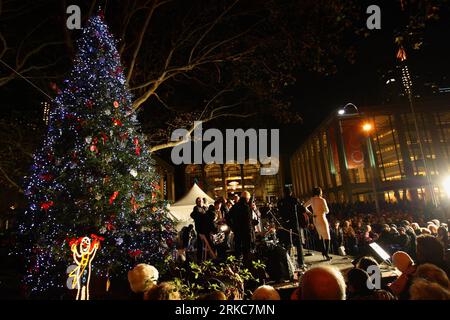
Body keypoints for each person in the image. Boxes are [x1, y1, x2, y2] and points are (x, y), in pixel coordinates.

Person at [277, 186, 308, 267]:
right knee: (298, 243)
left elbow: (279, 212)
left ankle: (287, 262)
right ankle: (301, 262)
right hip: (295, 223)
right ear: (291, 192)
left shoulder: (281, 201)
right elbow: (302, 210)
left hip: (286, 224)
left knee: (286, 243)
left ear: (284, 193)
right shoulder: (295, 200)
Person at [228, 191, 257, 266]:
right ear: (247, 198)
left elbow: (227, 217)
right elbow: (248, 222)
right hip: (246, 233)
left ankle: (237, 266)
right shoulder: (246, 207)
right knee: (246, 253)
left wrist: (232, 227)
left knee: (238, 251)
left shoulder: (235, 206)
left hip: (237, 232)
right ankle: (246, 266)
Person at [304, 187, 332, 260]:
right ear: (320, 192)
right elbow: (327, 211)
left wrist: (311, 213)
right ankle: (326, 254)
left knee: (320, 235)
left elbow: (304, 206)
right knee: (327, 236)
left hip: (315, 218)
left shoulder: (312, 199)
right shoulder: (322, 200)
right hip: (322, 218)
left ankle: (324, 252)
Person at [191, 197, 214, 262]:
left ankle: (208, 257)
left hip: (207, 229)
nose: (200, 202)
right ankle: (200, 259)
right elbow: (197, 217)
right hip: (200, 230)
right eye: (198, 201)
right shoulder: (196, 208)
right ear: (197, 202)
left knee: (208, 244)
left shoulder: (205, 208)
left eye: (200, 200)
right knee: (200, 245)